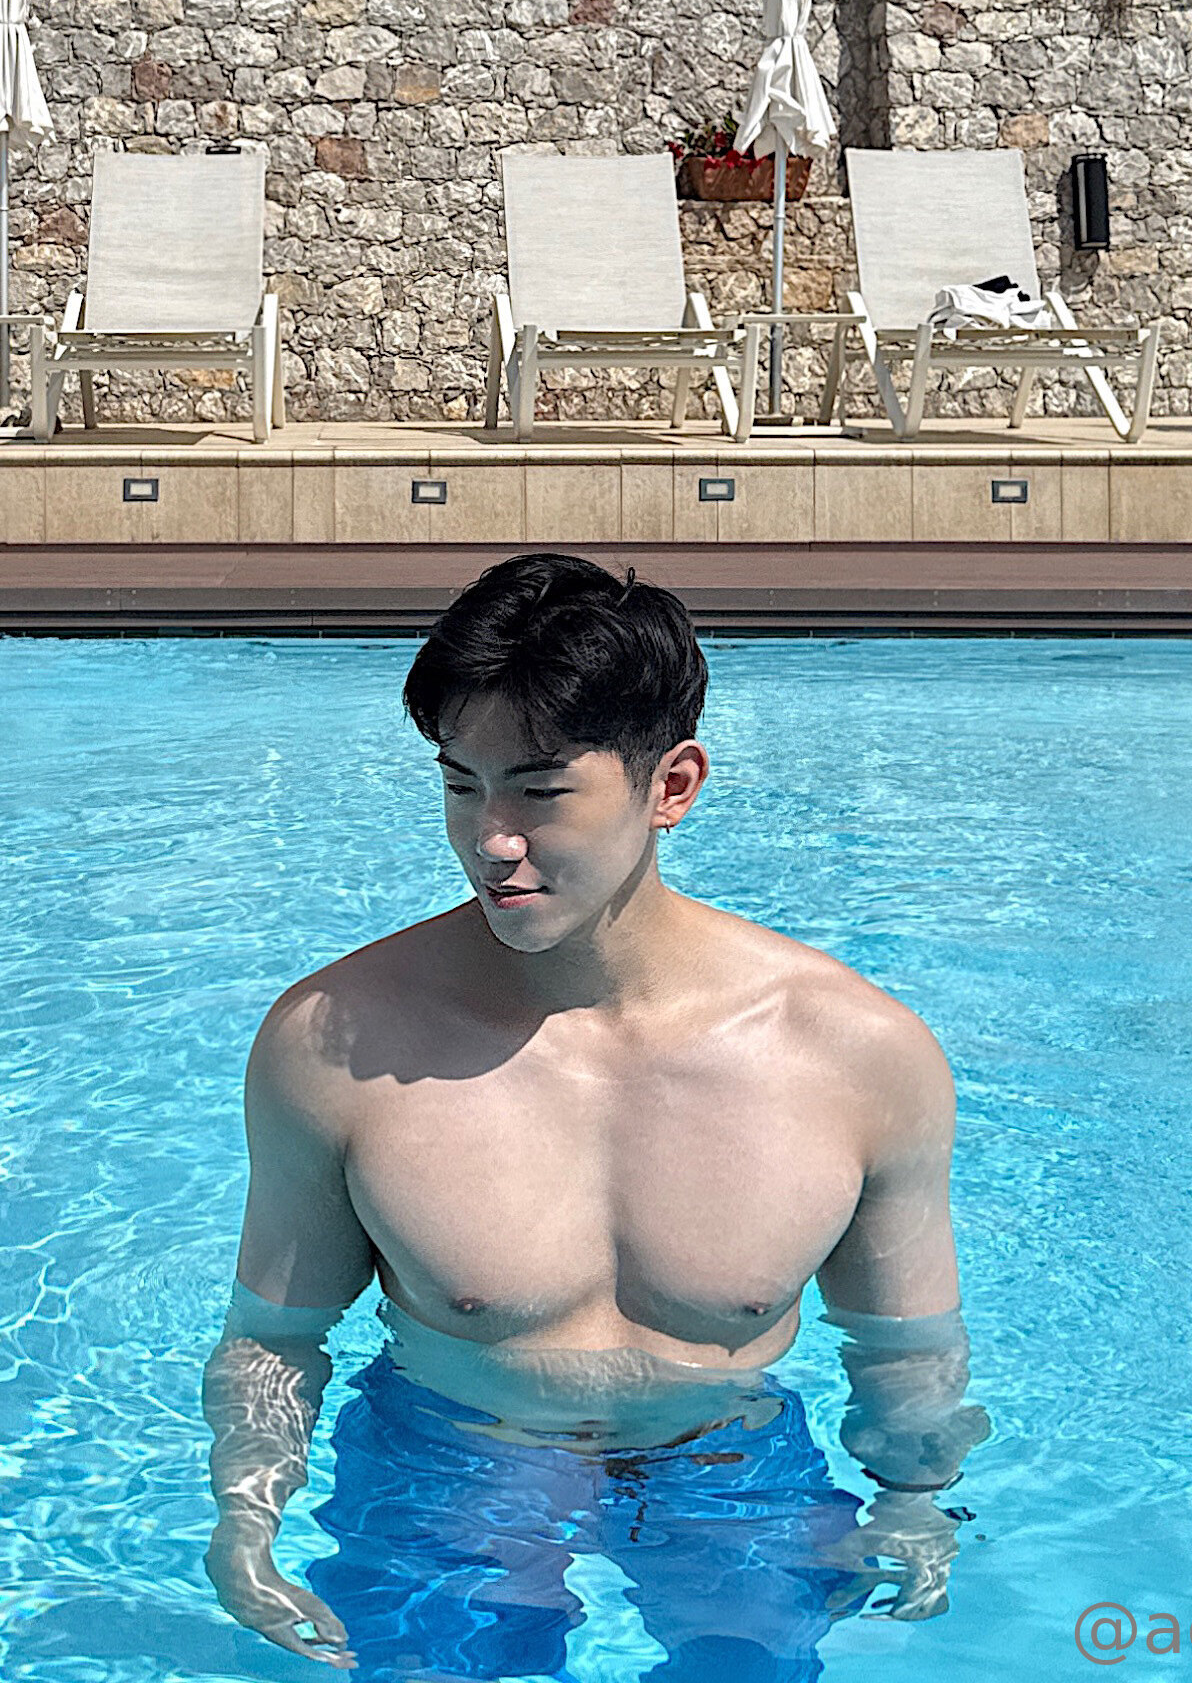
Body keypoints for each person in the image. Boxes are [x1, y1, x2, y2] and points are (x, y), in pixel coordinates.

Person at [203, 552, 987, 1677]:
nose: (491, 839)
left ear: (672, 786)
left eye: (538, 791)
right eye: (460, 785)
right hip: (453, 1450)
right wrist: (247, 1514)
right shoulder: (335, 1043)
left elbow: (906, 1344)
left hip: (726, 1458)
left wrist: (915, 1499)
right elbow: (276, 1337)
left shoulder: (856, 1056)